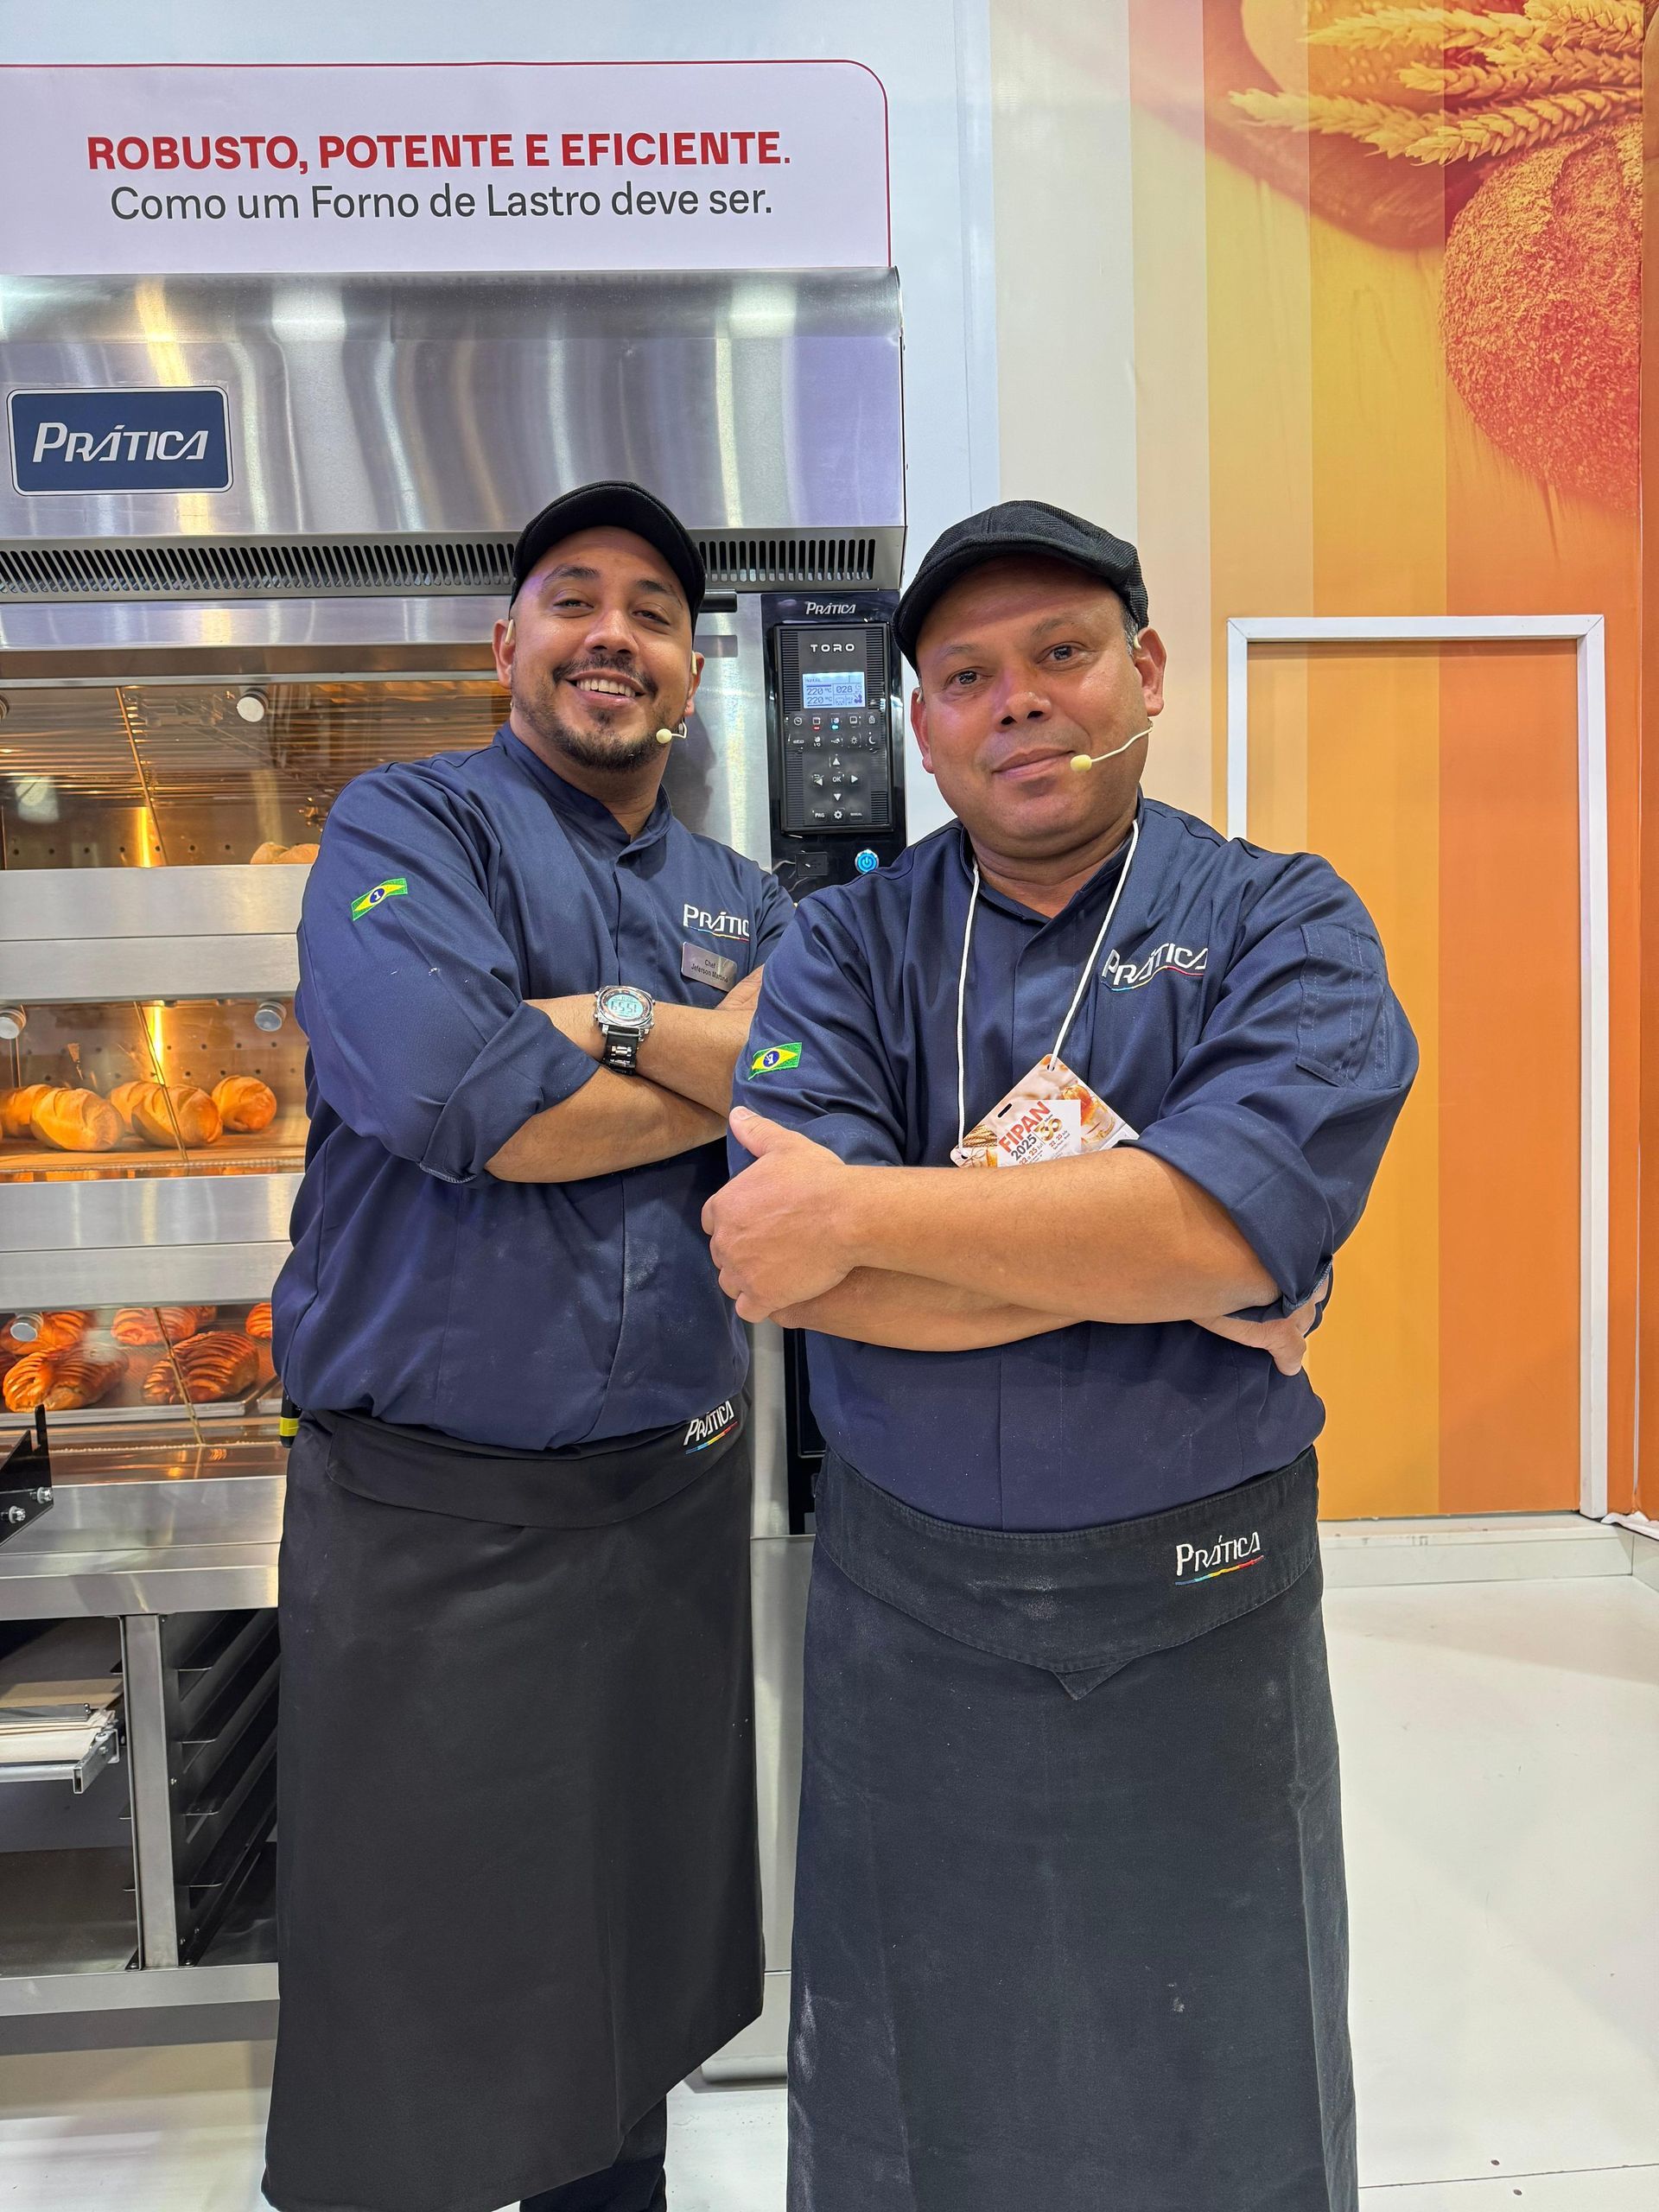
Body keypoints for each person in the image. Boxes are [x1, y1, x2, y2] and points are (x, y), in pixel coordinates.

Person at [704, 499, 1418, 2212]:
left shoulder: (1284, 922)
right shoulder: (844, 945)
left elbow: (1211, 1227)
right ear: (923, 728)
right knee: (909, 2084)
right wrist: (1162, 1245)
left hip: (1204, 1596)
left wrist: (897, 1217)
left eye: (1061, 653)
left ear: (1147, 672)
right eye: (965, 674)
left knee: (1227, 2076)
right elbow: (789, 1263)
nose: (1017, 698)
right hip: (905, 1601)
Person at [263, 481, 793, 2212]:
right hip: (431, 1520)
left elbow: (798, 1111)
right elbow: (454, 1094)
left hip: (666, 1516)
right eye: (574, 600)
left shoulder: (740, 892)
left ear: (692, 671)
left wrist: (584, 1038)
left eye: (654, 610)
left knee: (624, 1977)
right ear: (508, 644)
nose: (612, 635)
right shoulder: (402, 826)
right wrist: (677, 1049)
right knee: (410, 2006)